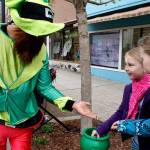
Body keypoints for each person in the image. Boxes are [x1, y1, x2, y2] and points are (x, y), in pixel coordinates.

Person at [0, 1, 96, 150]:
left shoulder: (39, 49)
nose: (39, 36)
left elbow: (44, 86)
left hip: (23, 121)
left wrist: (73, 104)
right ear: (20, 23)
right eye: (36, 31)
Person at [91, 47, 150, 150]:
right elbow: (120, 112)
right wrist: (101, 129)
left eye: (130, 65)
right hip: (137, 142)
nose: (126, 68)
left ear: (144, 66)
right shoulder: (129, 89)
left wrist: (126, 126)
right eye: (125, 64)